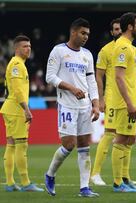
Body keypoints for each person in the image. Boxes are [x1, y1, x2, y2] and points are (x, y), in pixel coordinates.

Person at [44, 18, 100, 197]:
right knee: (69, 144)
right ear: (73, 32)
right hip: (67, 105)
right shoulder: (58, 51)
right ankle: (50, 174)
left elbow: (91, 80)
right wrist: (71, 88)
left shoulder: (87, 54)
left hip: (85, 106)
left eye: (88, 34)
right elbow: (50, 77)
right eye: (83, 33)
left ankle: (84, 188)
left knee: (85, 145)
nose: (86, 37)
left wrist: (96, 103)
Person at [0, 35, 44, 192]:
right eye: (25, 46)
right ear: (16, 48)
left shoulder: (16, 64)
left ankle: (10, 183)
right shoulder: (17, 65)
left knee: (11, 145)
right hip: (16, 110)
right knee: (21, 145)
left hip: (10, 109)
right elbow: (18, 90)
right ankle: (26, 183)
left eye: (30, 46)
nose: (29, 49)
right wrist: (26, 109)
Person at [110, 12, 136, 193]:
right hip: (123, 102)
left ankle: (125, 177)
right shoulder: (122, 47)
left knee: (130, 139)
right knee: (121, 138)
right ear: (130, 27)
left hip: (132, 101)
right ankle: (117, 183)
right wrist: (130, 103)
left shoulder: (131, 48)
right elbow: (119, 78)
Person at [90, 18, 122, 186]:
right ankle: (95, 173)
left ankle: (124, 177)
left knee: (125, 138)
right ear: (111, 32)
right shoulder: (105, 50)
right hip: (111, 98)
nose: (118, 31)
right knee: (109, 134)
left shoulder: (129, 48)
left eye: (120, 29)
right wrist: (100, 99)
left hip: (125, 99)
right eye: (115, 29)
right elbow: (99, 76)